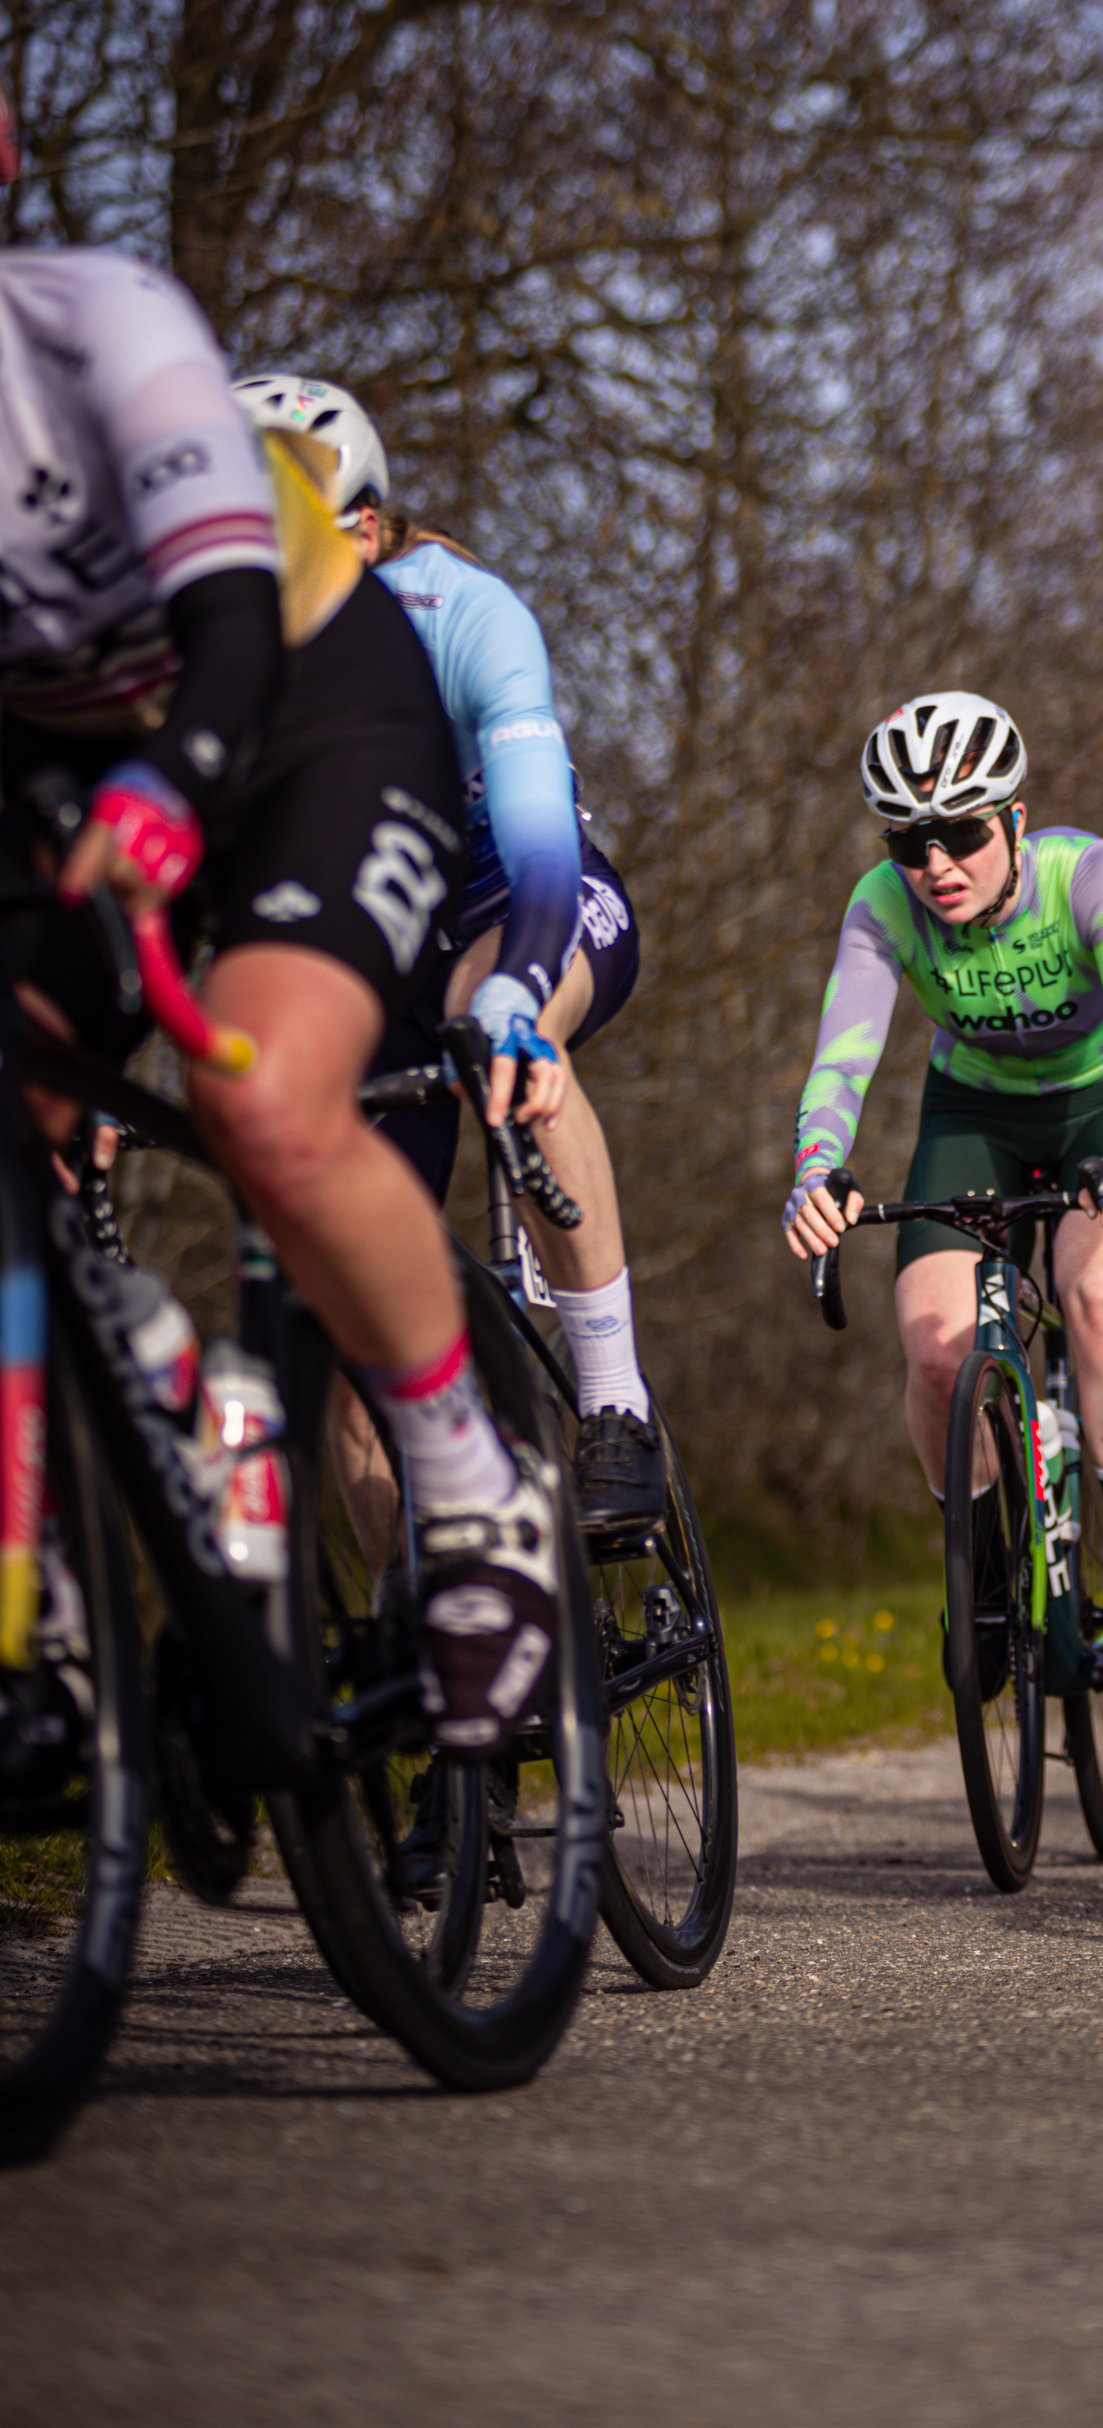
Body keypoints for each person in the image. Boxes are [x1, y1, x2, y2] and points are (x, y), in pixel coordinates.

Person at [0, 239, 554, 1755]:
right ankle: (110, 1444)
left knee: (259, 1091)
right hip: (64, 771)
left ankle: (468, 1482)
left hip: (307, 715)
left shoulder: (88, 324)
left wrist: (179, 783)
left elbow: (233, 618)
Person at [231, 375, 654, 1538]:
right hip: (375, 951)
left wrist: (518, 988)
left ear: (361, 528)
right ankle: (429, 1620)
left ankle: (615, 1402)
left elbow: (536, 850)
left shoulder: (465, 613)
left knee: (499, 1029)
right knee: (343, 1304)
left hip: (512, 904)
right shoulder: (226, 661)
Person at [782, 693, 1103, 1677]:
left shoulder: (1086, 876)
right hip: (974, 1118)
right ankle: (979, 1583)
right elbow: (842, 1063)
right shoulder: (883, 907)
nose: (934, 867)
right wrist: (812, 1170)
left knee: (1095, 1292)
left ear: (1011, 820)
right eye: (907, 842)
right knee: (933, 1351)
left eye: (960, 835)